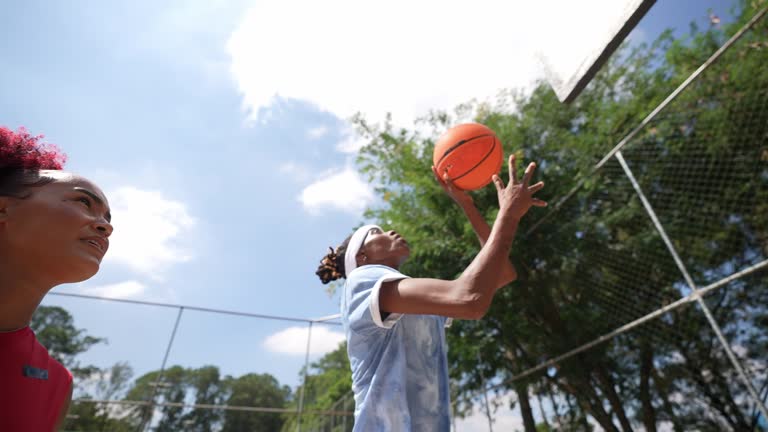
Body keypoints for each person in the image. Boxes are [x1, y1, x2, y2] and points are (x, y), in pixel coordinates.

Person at [315, 154, 546, 431]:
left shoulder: (411, 302)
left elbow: (499, 274)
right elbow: (469, 299)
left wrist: (467, 204)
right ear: (362, 257)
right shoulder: (361, 281)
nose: (389, 230)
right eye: (376, 232)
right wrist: (507, 215)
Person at [0, 126, 113, 431]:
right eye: (83, 202)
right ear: (3, 209)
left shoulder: (57, 382)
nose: (105, 227)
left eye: (107, 217)